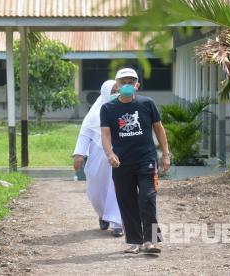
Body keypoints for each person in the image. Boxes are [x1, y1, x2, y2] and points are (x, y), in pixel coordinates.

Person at [100, 68, 171, 254]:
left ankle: (151, 241)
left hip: (146, 160)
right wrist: (109, 154)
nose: (127, 85)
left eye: (131, 82)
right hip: (121, 163)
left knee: (147, 199)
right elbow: (105, 134)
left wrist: (166, 154)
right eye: (123, 82)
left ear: (137, 85)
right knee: (127, 202)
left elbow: (159, 129)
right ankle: (135, 242)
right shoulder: (108, 108)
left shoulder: (147, 104)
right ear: (117, 85)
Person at [73, 80, 124, 237]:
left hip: (119, 156)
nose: (116, 93)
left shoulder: (124, 109)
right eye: (113, 90)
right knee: (96, 188)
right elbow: (85, 133)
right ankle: (102, 213)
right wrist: (79, 154)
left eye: (118, 90)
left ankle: (117, 223)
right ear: (105, 93)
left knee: (117, 187)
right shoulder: (94, 114)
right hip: (97, 156)